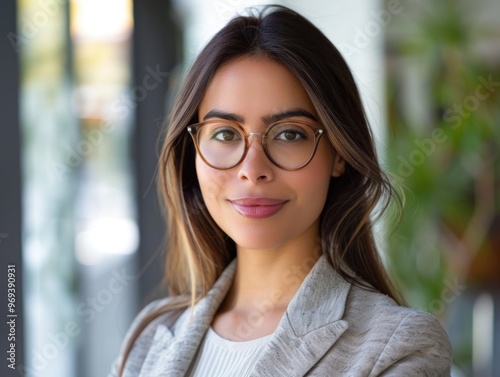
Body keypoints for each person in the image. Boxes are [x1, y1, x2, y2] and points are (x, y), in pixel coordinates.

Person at [109, 5, 452, 376]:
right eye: (224, 133)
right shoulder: (150, 336)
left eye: (290, 134)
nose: (252, 170)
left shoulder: (398, 346)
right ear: (192, 153)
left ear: (339, 154)